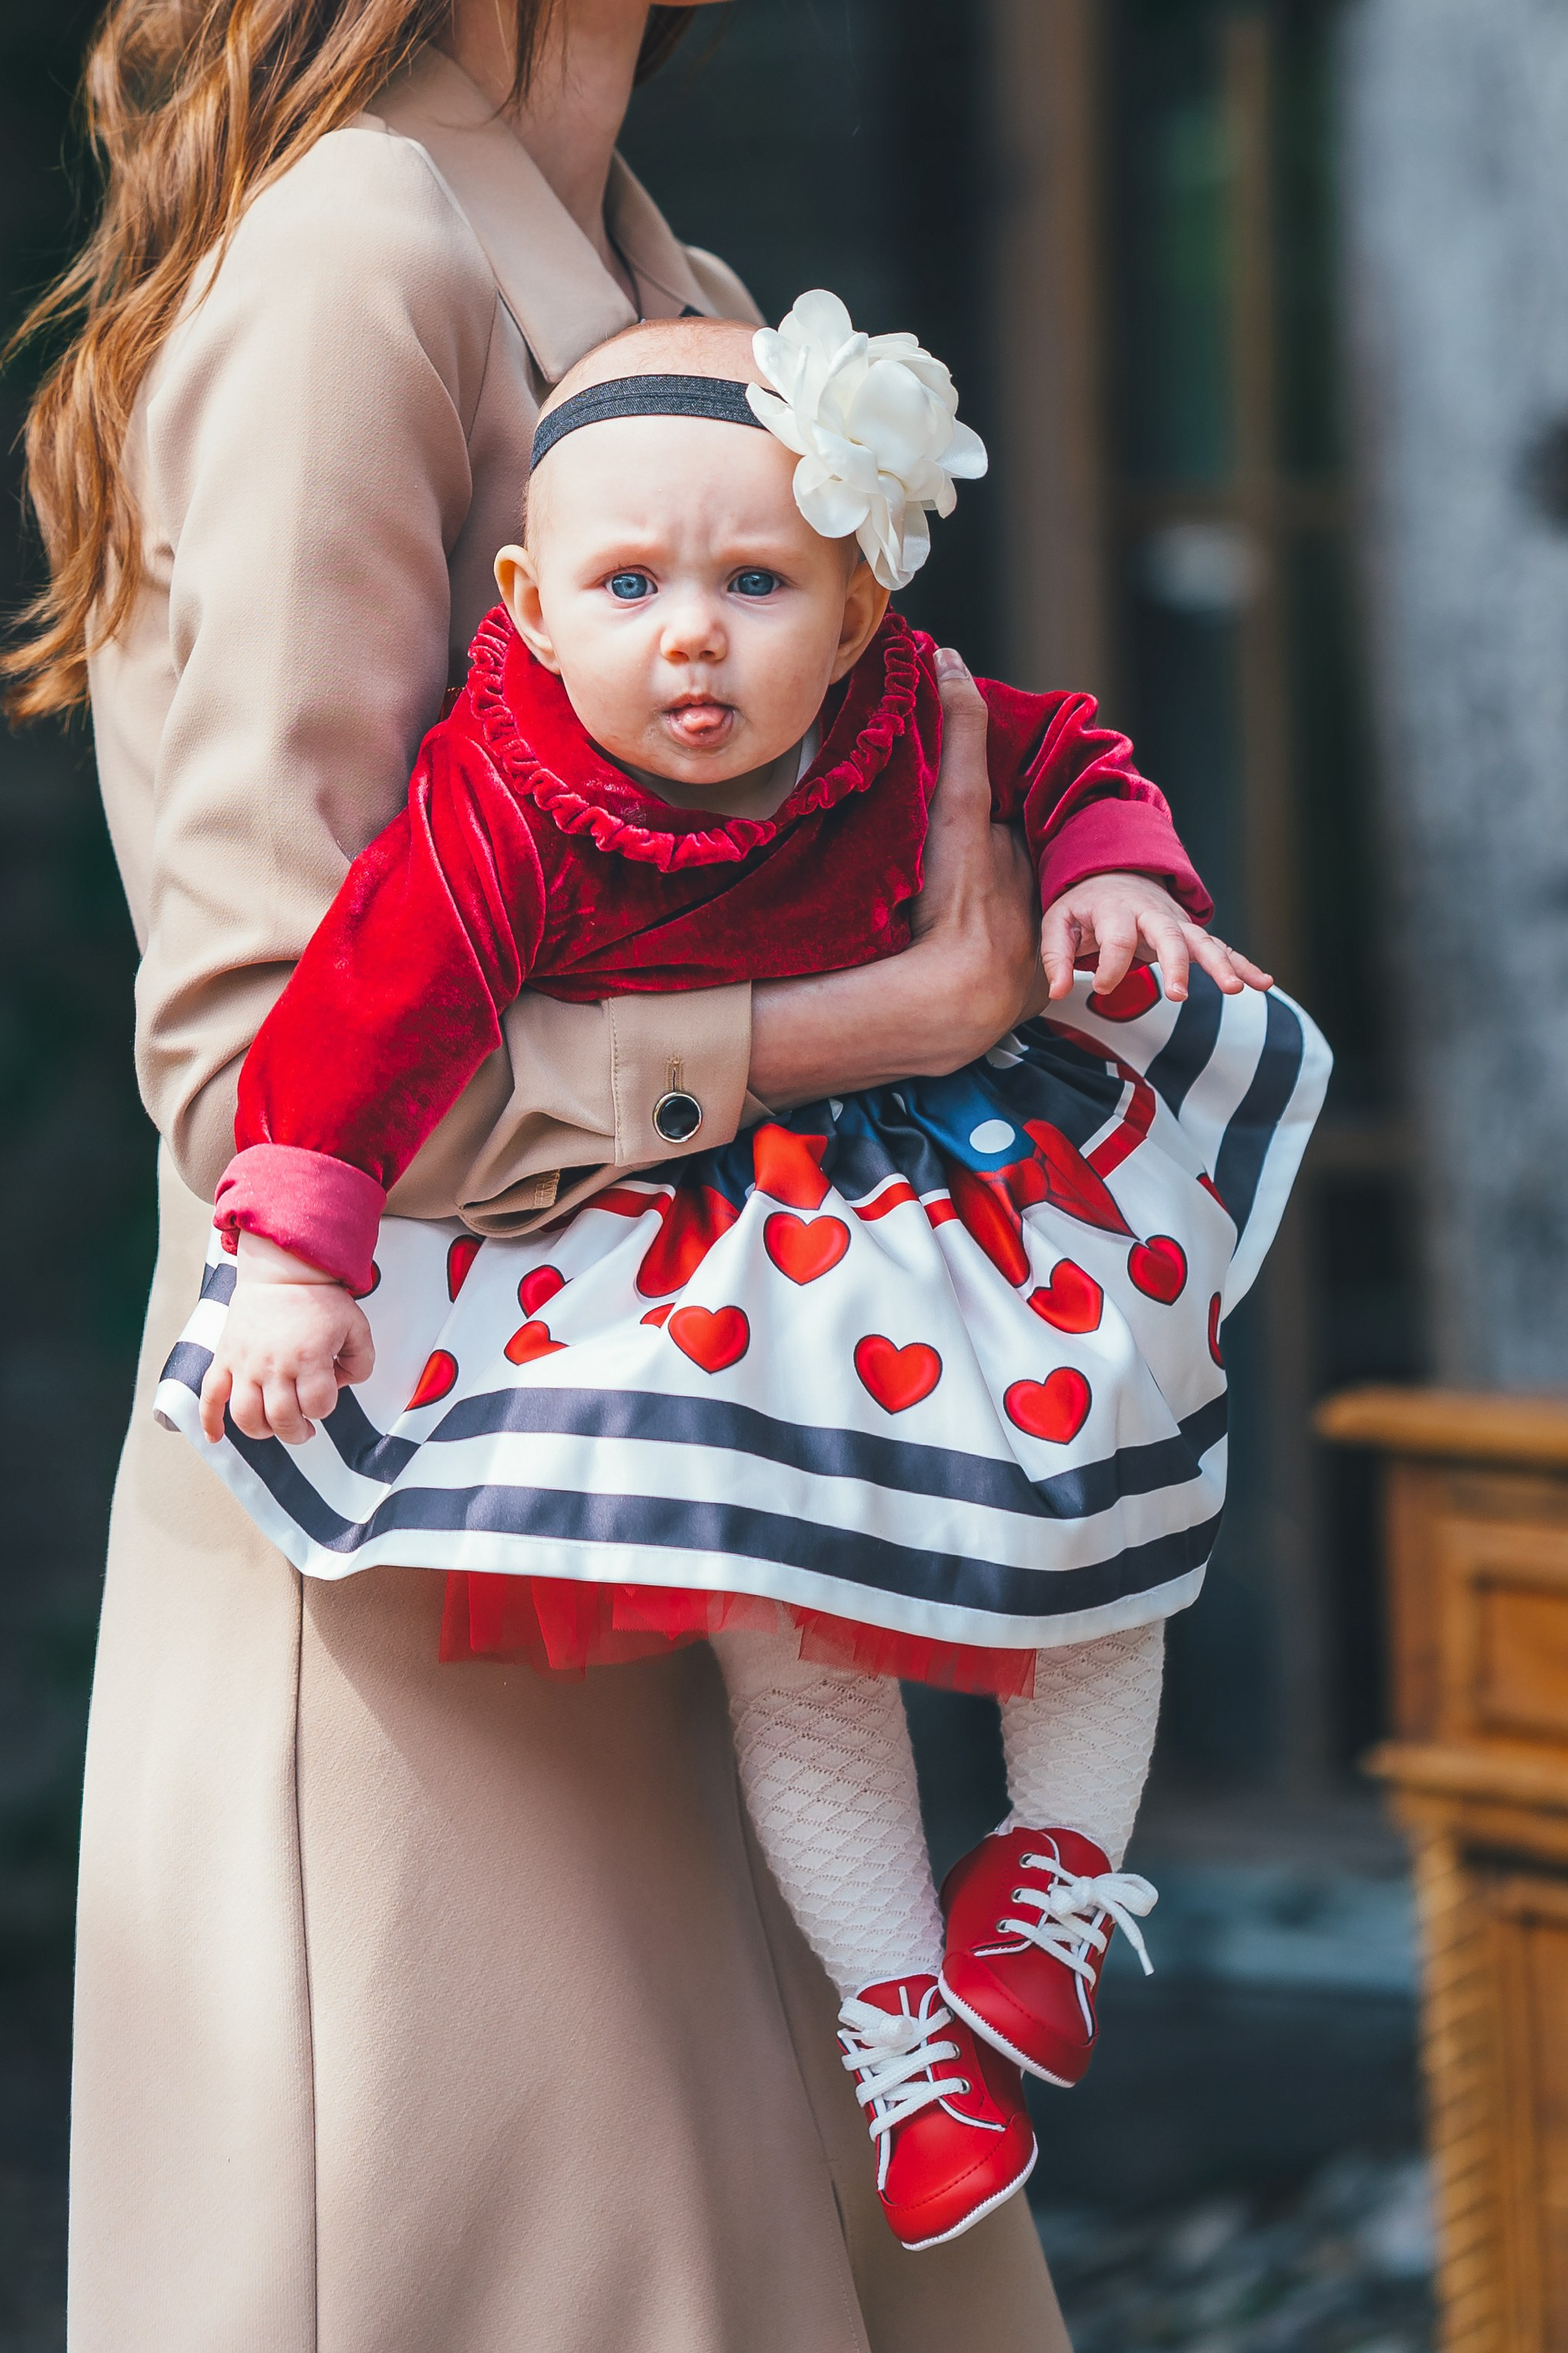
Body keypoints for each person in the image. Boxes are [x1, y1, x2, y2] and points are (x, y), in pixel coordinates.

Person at [4, 4, 1086, 2346]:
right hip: (417, 1589)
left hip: (672, 1513)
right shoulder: (355, 257)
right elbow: (245, 1060)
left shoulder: (644, 262)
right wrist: (868, 1026)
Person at [155, 302, 1324, 2252]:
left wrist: (1114, 868)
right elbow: (353, 1027)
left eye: (755, 580)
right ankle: (901, 2036)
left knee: (1110, 1515)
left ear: (858, 609)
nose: (689, 632)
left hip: (972, 1187)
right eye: (629, 582)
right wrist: (291, 1257)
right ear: (525, 601)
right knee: (793, 1624)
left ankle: (1049, 1879)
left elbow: (1063, 754)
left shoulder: (903, 708)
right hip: (725, 1244)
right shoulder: (509, 796)